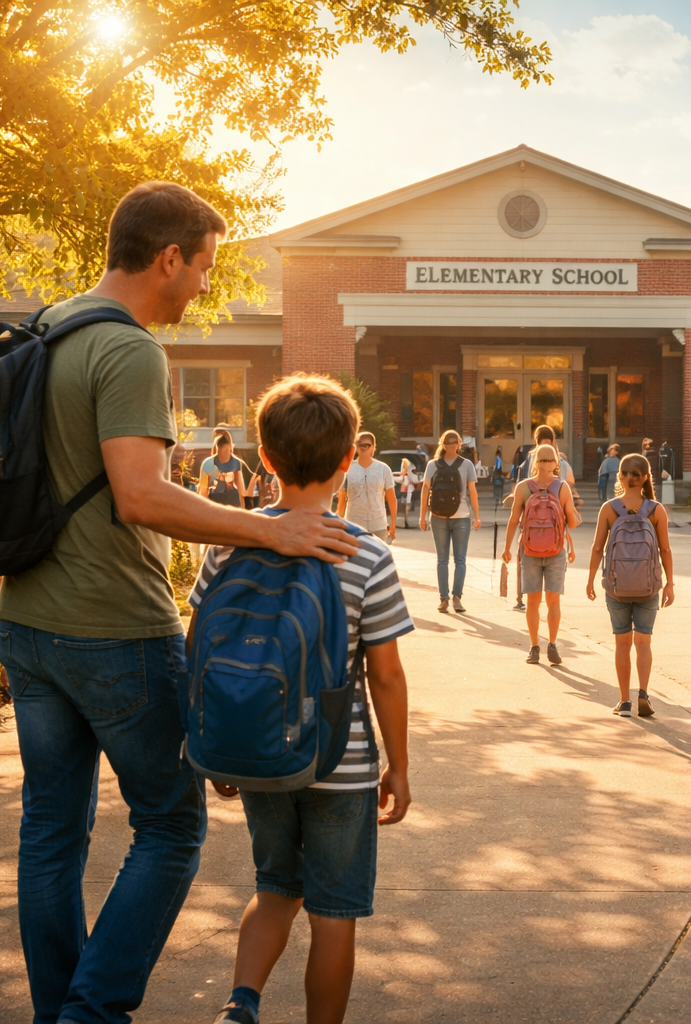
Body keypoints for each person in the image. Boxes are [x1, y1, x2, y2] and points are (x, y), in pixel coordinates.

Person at [0, 181, 359, 1024]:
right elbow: (140, 496)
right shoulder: (128, 353)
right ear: (167, 258)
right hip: (112, 628)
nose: (204, 285)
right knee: (169, 827)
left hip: (29, 623)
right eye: (203, 267)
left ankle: (63, 1011)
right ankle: (93, 1014)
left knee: (51, 835)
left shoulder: (50, 326)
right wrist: (270, 532)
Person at [189, 375, 413, 1024]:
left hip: (259, 747)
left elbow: (200, 645)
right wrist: (397, 765)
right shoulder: (364, 554)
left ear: (264, 459)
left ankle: (240, 1004)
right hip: (339, 764)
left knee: (275, 886)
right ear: (350, 459)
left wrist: (218, 740)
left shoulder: (230, 541)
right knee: (334, 912)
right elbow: (387, 676)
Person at [586, 453, 674, 718]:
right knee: (644, 643)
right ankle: (644, 693)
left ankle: (624, 702)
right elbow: (665, 550)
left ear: (620, 477)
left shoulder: (609, 509)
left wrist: (590, 579)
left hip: (617, 586)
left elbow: (597, 548)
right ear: (646, 477)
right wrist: (670, 584)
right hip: (648, 586)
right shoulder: (656, 510)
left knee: (622, 643)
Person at [502, 444, 579, 664]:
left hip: (530, 550)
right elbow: (571, 524)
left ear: (534, 463)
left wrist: (507, 548)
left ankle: (534, 647)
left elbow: (514, 520)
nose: (546, 464)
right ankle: (552, 645)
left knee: (532, 601)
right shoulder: (562, 488)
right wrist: (572, 516)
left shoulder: (523, 488)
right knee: (553, 602)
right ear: (557, 464)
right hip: (556, 551)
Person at [420, 429, 482, 614]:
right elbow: (472, 492)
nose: (452, 446)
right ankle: (456, 598)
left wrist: (422, 516)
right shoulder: (467, 464)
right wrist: (476, 516)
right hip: (460, 516)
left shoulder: (433, 464)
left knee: (442, 560)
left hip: (439, 516)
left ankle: (444, 599)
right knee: (460, 560)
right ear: (458, 444)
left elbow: (425, 490)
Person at [336, 432, 396, 543]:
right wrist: (339, 521)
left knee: (377, 557)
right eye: (360, 445)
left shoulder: (383, 469)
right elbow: (342, 499)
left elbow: (391, 497)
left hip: (378, 524)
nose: (363, 448)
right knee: (356, 557)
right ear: (356, 447)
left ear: (373, 446)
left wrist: (393, 522)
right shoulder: (347, 469)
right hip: (354, 523)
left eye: (367, 445)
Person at [199, 429, 253, 508]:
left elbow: (241, 491)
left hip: (233, 508)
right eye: (224, 450)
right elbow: (203, 491)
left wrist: (242, 508)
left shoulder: (237, 463)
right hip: (214, 508)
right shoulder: (207, 463)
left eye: (227, 450)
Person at [397, 458, 416, 528]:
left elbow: (405, 480)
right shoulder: (406, 473)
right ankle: (405, 521)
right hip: (405, 491)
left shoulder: (406, 473)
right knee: (405, 507)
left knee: (406, 507)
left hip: (407, 491)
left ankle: (406, 521)